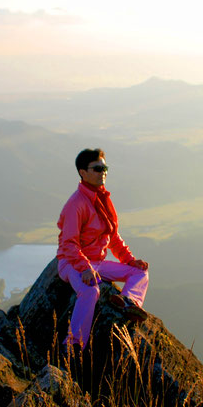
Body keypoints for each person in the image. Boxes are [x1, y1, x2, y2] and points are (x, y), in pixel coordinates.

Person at [57, 148, 150, 350]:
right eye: (98, 168)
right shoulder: (76, 204)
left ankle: (128, 302)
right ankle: (73, 345)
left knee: (140, 272)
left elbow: (112, 236)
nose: (103, 172)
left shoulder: (103, 200)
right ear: (83, 172)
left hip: (97, 263)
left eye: (105, 168)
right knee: (91, 292)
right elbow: (69, 244)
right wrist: (84, 268)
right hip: (72, 262)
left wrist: (129, 260)